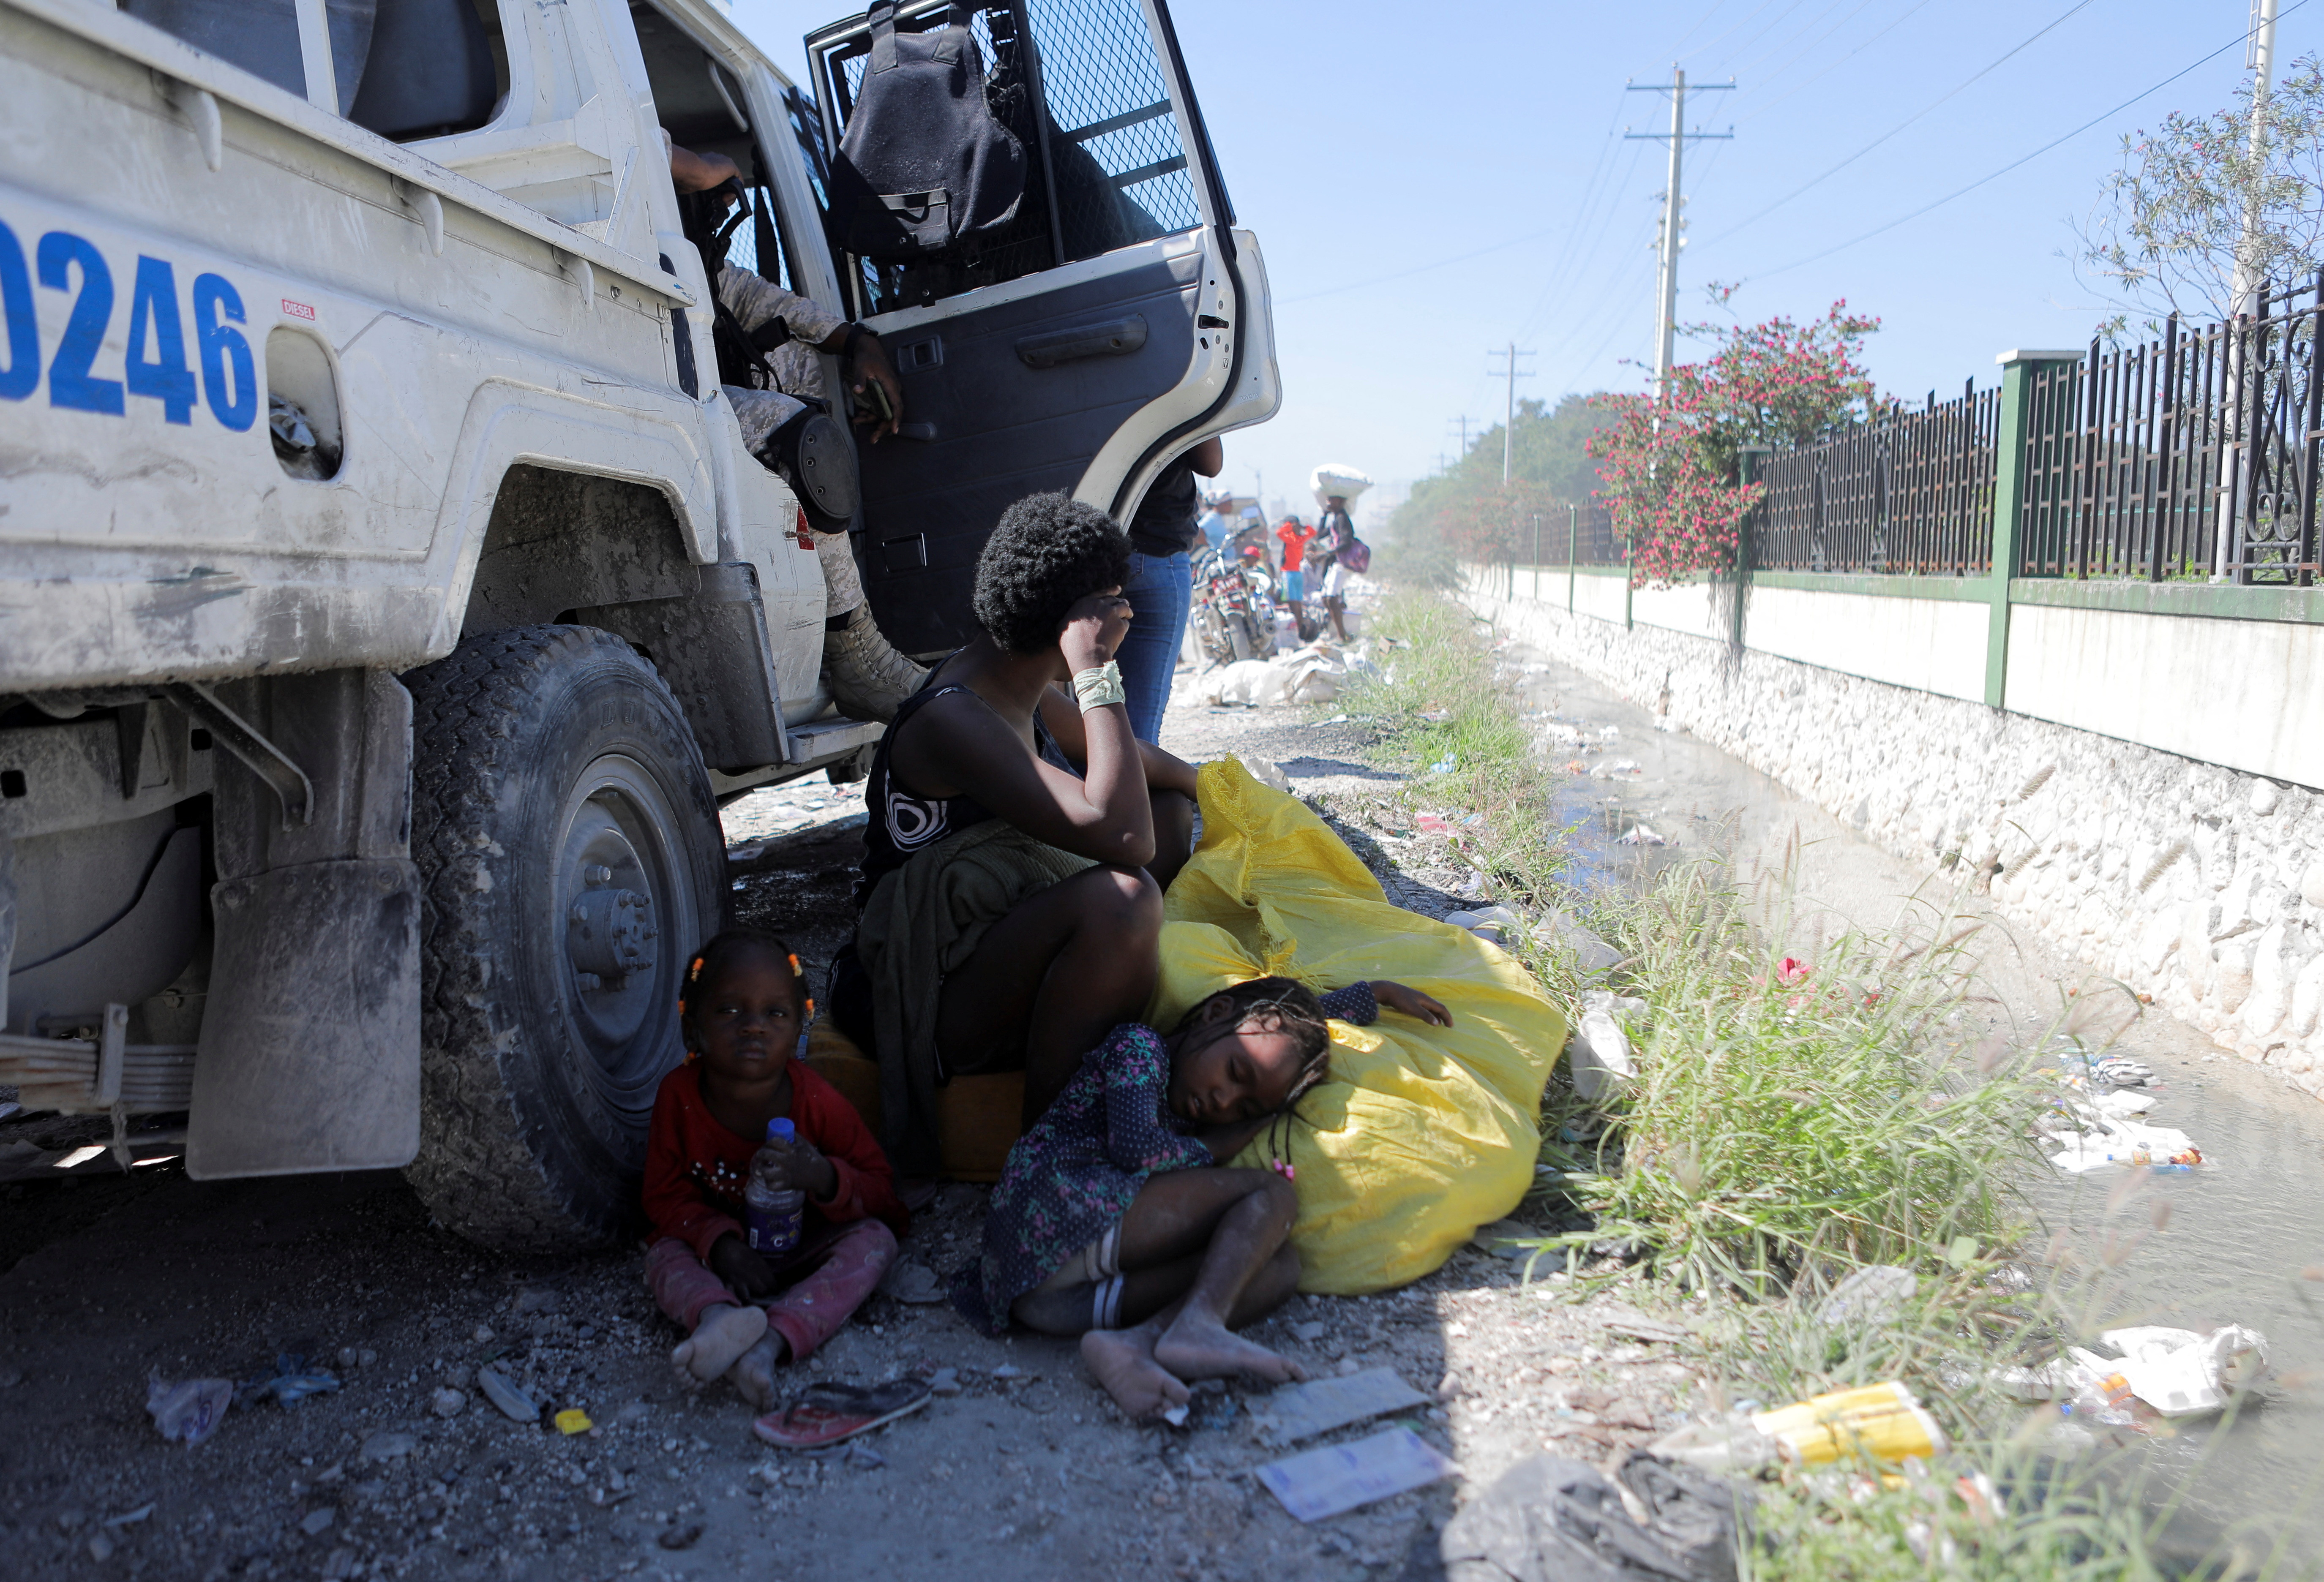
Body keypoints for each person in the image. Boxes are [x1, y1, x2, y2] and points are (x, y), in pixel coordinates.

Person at [839, 494, 1203, 1171]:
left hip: (989, 945)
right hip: (922, 988)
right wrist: (1097, 670)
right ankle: (1050, 1149)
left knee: (1176, 813)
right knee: (1126, 899)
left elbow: (1141, 771)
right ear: (1076, 622)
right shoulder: (955, 718)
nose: (1125, 617)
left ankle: (1091, 1021)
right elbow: (1125, 839)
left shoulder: (1017, 680)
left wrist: (1221, 788)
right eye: (1113, 606)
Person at [955, 976, 1451, 1418]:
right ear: (1215, 1014)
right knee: (1270, 1194)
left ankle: (1137, 1344)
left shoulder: (1222, 1056)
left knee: (1277, 1267)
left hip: (1056, 1301)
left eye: (1247, 1107)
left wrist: (1375, 995)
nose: (1225, 1101)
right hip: (1051, 1214)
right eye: (1235, 1075)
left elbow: (1276, 1039)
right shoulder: (1140, 1048)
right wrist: (1217, 1144)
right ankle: (1199, 1324)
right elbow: (1134, 1149)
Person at [667, 139, 925, 721]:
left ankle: (845, 642)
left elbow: (799, 316)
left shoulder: (710, 276)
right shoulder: (618, 162)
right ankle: (857, 651)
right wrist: (718, 167)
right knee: (797, 437)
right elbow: (654, 147)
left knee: (802, 421)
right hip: (637, 403)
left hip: (683, 426)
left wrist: (863, 344)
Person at [643, 929, 907, 1410]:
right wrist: (720, 1245)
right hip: (721, 1261)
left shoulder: (819, 1103)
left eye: (775, 1013)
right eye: (728, 1010)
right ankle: (719, 1319)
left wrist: (824, 1177)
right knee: (663, 1254)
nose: (753, 1026)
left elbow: (885, 1197)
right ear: (692, 1026)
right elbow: (662, 1197)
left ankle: (772, 1344)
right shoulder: (677, 1097)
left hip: (803, 1248)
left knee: (875, 1243)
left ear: (799, 1028)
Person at [1117, 436, 1225, 743]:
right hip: (1157, 554)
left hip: (1088, 549)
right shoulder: (1173, 386)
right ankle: (1133, 789)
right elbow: (1211, 463)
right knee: (1140, 727)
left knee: (1082, 712)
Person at [1316, 493, 1358, 643]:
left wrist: (1327, 553)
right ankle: (1341, 633)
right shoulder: (1335, 520)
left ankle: (1342, 635)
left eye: (1331, 499)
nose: (1328, 501)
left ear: (1340, 501)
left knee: (1332, 598)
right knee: (1327, 599)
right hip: (1334, 563)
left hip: (1341, 563)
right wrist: (1324, 516)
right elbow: (1320, 535)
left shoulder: (1343, 519)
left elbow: (1347, 542)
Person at [1273, 515, 1315, 618]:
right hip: (1298, 573)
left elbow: (1279, 532)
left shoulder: (1290, 538)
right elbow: (1313, 532)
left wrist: (1290, 526)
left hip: (1288, 573)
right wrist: (1303, 527)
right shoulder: (1301, 538)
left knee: (1291, 603)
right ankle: (1300, 625)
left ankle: (1296, 626)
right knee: (1298, 602)